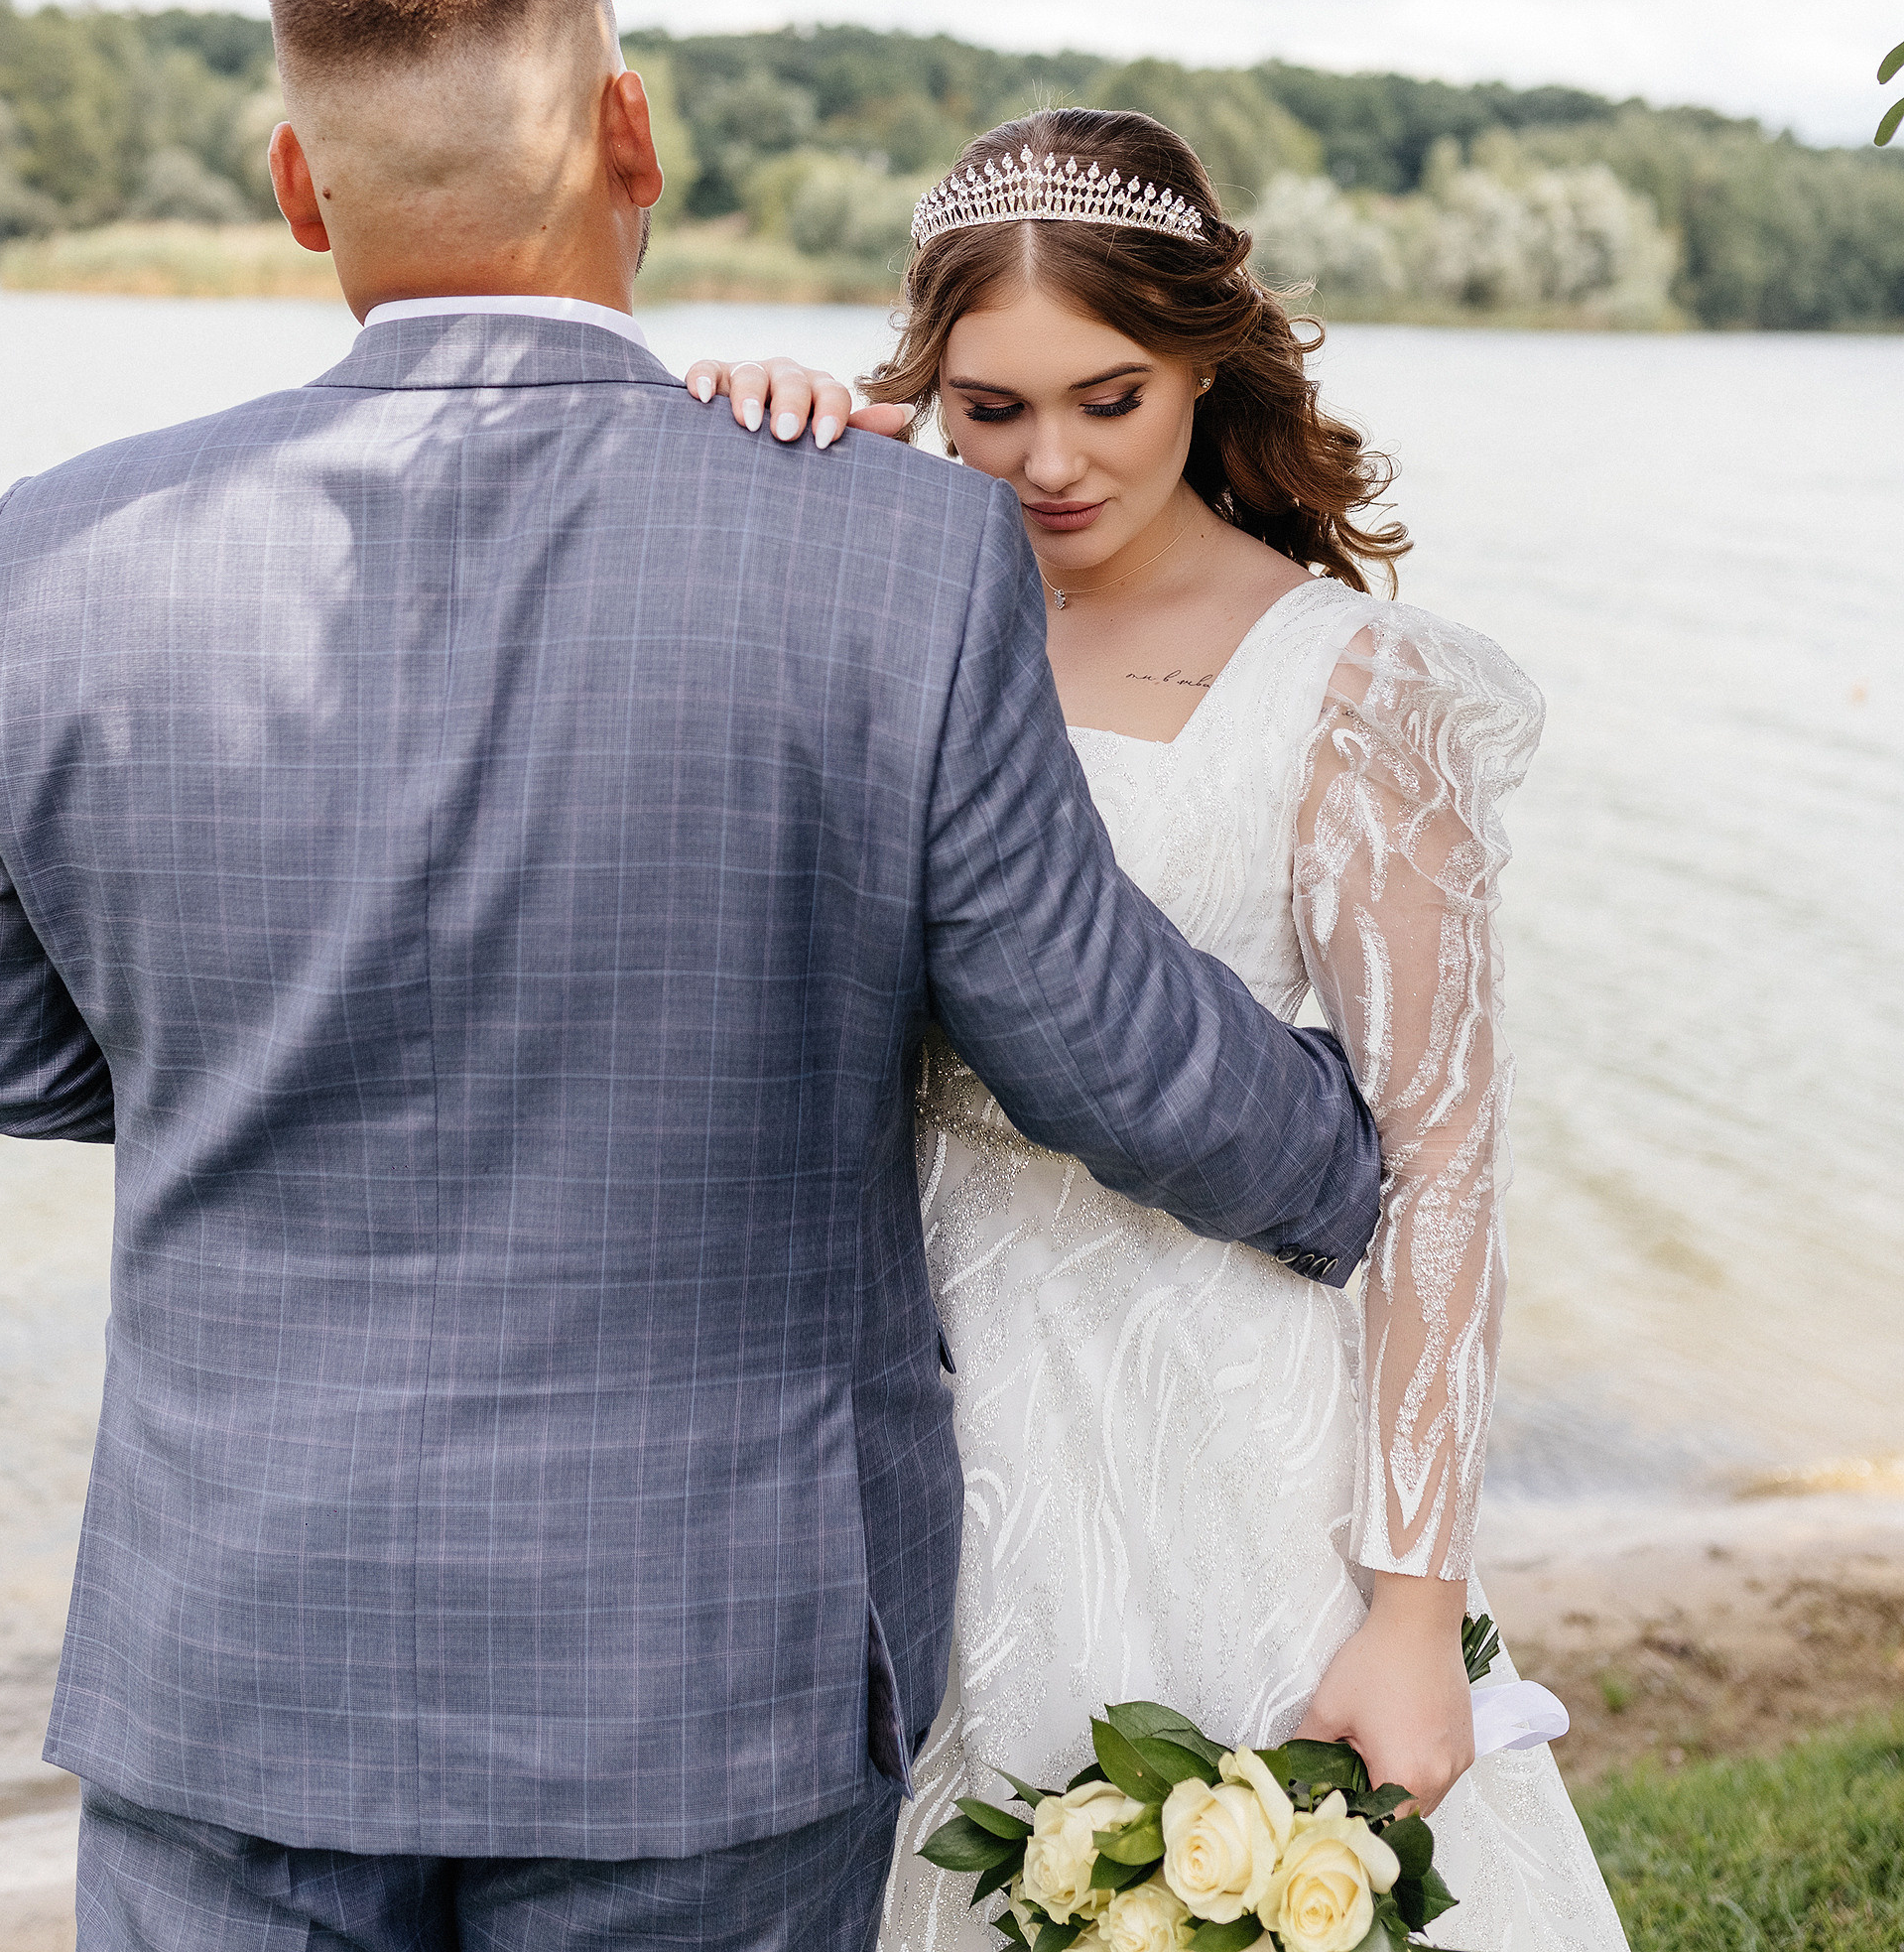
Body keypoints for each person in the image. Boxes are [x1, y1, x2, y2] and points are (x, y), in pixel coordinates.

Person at [0, 0, 1382, 1952]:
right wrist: (1349, 1154)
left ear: (293, 188)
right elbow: (1095, 1047)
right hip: (708, 1675)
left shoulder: (56, 555)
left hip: (232, 1661)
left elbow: (2, 1058)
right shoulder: (893, 553)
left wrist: (263, 1065)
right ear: (632, 136)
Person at [687, 114, 1631, 1952]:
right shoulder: (874, 611)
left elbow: (1441, 1161)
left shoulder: (1347, 684)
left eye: (1109, 400)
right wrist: (740, 454)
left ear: (1206, 360)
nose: (1049, 462)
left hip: (1227, 1431)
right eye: (986, 409)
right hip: (912, 1425)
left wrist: (1415, 1605)